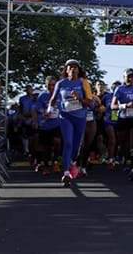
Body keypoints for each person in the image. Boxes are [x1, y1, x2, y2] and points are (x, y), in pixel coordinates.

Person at [47, 59, 91, 187]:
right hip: (65, 116)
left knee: (76, 146)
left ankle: (71, 161)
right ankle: (66, 173)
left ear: (79, 70)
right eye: (70, 67)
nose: (72, 69)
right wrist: (49, 109)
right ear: (66, 70)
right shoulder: (61, 83)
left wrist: (79, 98)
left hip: (80, 117)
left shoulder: (84, 83)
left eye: (75, 67)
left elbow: (90, 102)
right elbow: (53, 99)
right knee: (67, 143)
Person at [112, 68, 133, 180]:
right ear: (124, 77)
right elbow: (113, 106)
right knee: (124, 144)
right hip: (123, 118)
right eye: (128, 77)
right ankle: (125, 159)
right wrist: (125, 106)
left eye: (132, 76)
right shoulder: (119, 89)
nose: (130, 79)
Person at [36, 76, 61, 176]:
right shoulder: (42, 96)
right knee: (46, 146)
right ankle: (46, 166)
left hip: (57, 124)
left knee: (57, 142)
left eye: (53, 85)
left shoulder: (60, 95)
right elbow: (38, 108)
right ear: (46, 85)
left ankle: (55, 162)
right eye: (49, 85)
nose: (51, 87)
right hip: (45, 125)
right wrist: (44, 113)